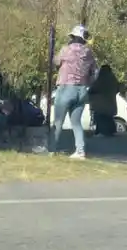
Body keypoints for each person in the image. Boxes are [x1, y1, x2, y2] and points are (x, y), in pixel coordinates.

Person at [48, 24, 97, 158]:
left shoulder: (66, 50)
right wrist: (88, 83)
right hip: (82, 90)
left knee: (58, 122)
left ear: (74, 37)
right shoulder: (89, 53)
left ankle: (52, 149)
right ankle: (80, 151)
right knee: (76, 122)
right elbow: (94, 72)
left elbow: (56, 62)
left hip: (66, 88)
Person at [87, 64, 120, 137]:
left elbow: (93, 89)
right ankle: (111, 130)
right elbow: (118, 88)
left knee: (100, 117)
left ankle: (101, 131)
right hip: (111, 103)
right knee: (109, 118)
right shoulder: (113, 79)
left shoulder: (101, 79)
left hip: (100, 104)